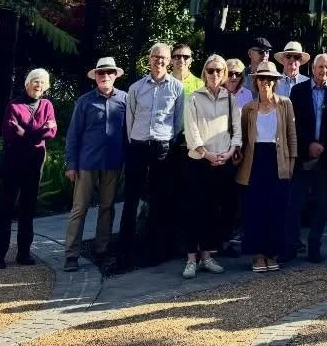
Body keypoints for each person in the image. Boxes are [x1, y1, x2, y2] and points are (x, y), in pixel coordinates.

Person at [119, 43, 185, 268]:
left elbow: (177, 122)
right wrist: (135, 140)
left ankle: (154, 252)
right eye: (155, 56)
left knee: (159, 201)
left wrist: (166, 140)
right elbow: (130, 119)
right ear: (149, 59)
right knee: (131, 200)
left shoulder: (177, 88)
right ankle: (124, 254)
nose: (159, 61)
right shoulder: (136, 88)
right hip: (138, 146)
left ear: (169, 61)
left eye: (163, 58)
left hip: (162, 148)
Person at [63, 57, 128, 272]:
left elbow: (129, 134)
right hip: (87, 162)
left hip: (113, 162)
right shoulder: (84, 101)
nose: (105, 76)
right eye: (101, 73)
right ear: (96, 77)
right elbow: (73, 135)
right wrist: (71, 164)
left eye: (110, 72)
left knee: (107, 208)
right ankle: (71, 254)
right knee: (79, 208)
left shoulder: (126, 100)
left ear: (115, 75)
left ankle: (102, 250)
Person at [0, 68, 58, 269]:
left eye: (42, 83)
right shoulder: (14, 106)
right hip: (13, 163)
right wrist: (37, 134)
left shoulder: (47, 105)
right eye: (35, 81)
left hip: (34, 163)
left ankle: (24, 253)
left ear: (46, 87)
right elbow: (10, 134)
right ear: (27, 83)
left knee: (28, 209)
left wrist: (26, 133)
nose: (38, 86)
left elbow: (52, 131)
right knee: (5, 208)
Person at [236, 60, 298, 271]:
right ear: (256, 82)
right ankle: (258, 255)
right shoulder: (249, 108)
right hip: (254, 162)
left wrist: (291, 162)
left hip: (277, 160)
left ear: (275, 82)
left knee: (276, 208)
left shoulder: (285, 104)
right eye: (262, 78)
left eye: (270, 79)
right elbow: (243, 138)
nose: (265, 82)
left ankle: (272, 253)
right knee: (255, 209)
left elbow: (291, 135)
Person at [181, 55, 237, 278]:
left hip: (222, 161)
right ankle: (191, 259)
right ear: (204, 72)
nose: (215, 74)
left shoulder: (230, 100)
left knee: (213, 211)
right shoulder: (193, 98)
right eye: (211, 70)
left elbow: (237, 131)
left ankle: (207, 255)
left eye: (219, 71)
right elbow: (192, 131)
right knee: (194, 210)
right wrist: (207, 154)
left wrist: (230, 153)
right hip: (198, 162)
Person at [287, 52, 327, 263]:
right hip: (303, 156)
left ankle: (314, 247)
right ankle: (291, 245)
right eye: (321, 67)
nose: (324, 71)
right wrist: (308, 144)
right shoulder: (298, 91)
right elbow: (294, 124)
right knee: (295, 204)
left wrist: (323, 147)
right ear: (313, 69)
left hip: (325, 158)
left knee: (321, 206)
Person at [219, 58, 250, 253]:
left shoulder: (247, 95)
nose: (233, 77)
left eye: (238, 74)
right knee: (216, 199)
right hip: (218, 152)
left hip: (240, 153)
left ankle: (228, 240)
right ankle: (215, 241)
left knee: (233, 200)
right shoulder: (217, 93)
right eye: (230, 73)